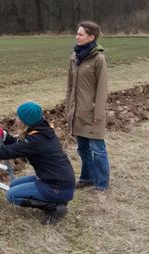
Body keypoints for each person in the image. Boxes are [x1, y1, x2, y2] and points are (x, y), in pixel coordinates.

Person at [0, 101, 75, 225]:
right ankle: (55, 198)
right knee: (14, 184)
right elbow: (21, 145)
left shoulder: (37, 139)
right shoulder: (41, 130)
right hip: (56, 179)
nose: (17, 119)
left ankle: (55, 206)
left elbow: (9, 152)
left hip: (57, 185)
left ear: (26, 121)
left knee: (11, 195)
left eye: (19, 117)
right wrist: (5, 137)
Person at [66, 21, 110, 191]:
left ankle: (102, 184)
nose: (77, 36)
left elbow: (102, 89)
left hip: (92, 112)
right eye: (77, 33)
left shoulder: (99, 59)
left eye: (80, 34)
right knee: (82, 148)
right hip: (78, 112)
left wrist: (97, 114)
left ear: (91, 37)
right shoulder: (74, 57)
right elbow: (70, 86)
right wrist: (69, 108)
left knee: (98, 150)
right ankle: (87, 177)